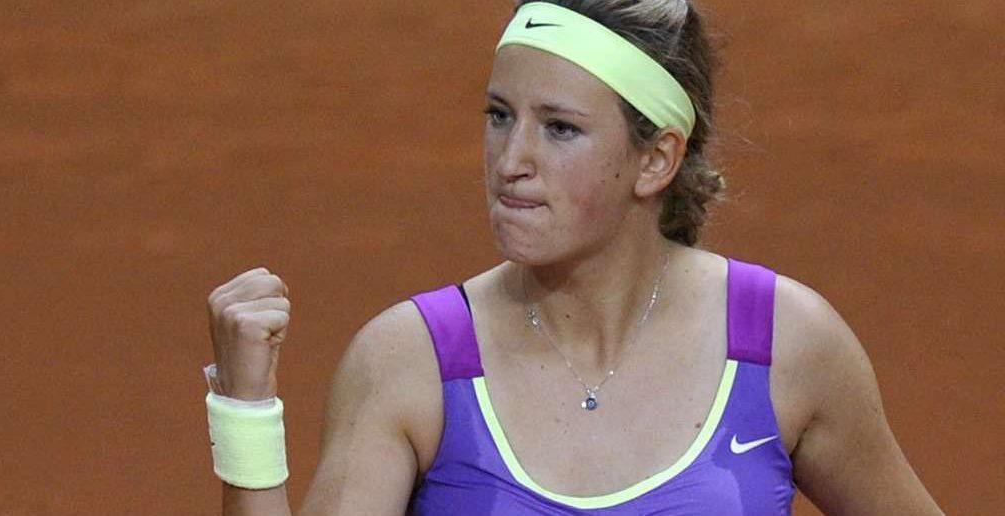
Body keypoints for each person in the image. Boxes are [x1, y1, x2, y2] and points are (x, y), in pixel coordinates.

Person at [202, 1, 947, 514]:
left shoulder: (784, 344)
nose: (511, 161)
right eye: (500, 116)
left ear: (656, 159)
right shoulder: (408, 362)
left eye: (559, 128)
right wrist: (246, 412)